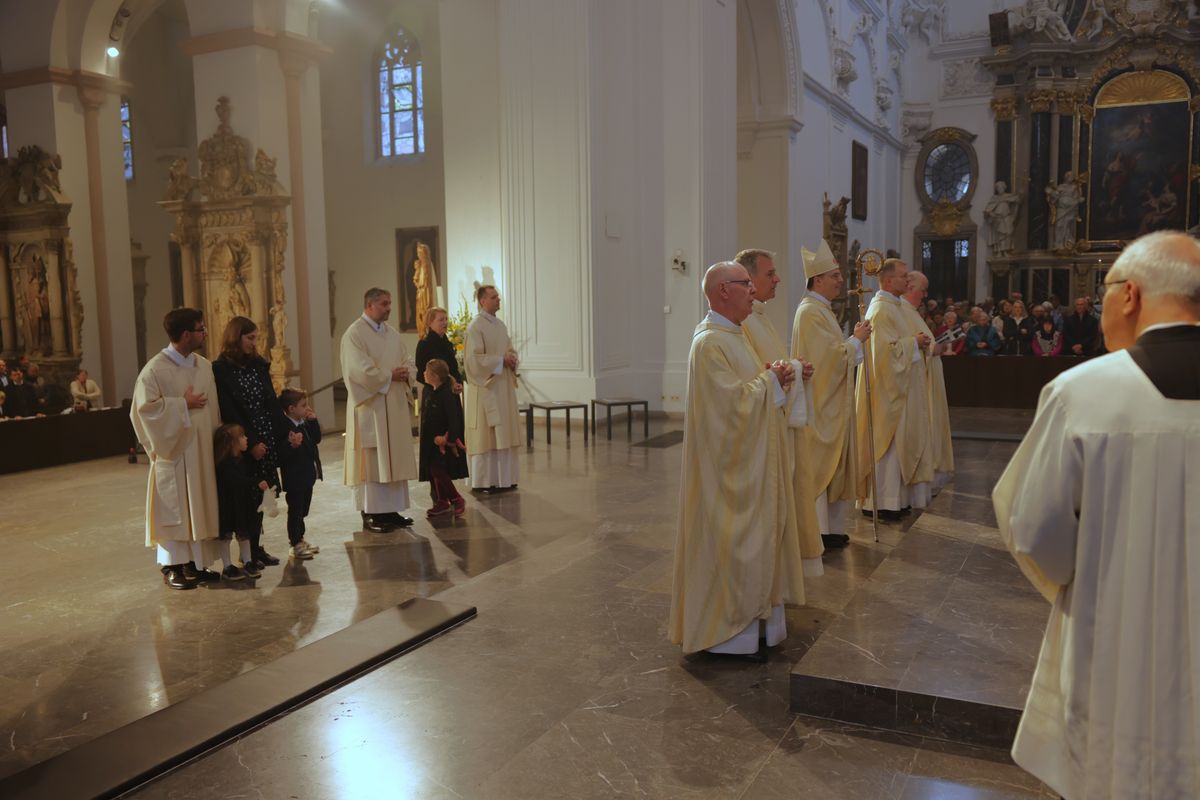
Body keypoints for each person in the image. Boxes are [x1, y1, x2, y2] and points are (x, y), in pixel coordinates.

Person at [992, 231, 1200, 800]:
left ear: (1129, 294)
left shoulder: (1083, 393)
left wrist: (1083, 582)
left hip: (1115, 647)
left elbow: (1035, 530)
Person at [669, 261, 803, 660]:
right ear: (723, 290)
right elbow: (728, 409)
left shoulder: (734, 334)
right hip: (727, 471)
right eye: (746, 283)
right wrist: (769, 382)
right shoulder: (709, 342)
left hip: (751, 461)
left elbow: (745, 389)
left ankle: (757, 623)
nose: (753, 290)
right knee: (734, 540)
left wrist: (771, 376)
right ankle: (728, 632)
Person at [735, 247, 824, 570]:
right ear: (749, 279)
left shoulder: (759, 316)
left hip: (776, 421)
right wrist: (788, 371)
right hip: (760, 432)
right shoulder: (742, 323)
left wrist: (795, 368)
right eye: (770, 273)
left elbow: (770, 365)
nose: (778, 279)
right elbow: (751, 377)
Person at [130, 308, 222, 590]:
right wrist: (181, 405)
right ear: (185, 335)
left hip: (202, 451)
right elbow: (142, 412)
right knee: (176, 507)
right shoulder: (154, 371)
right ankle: (172, 566)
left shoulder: (205, 366)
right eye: (200, 329)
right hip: (175, 453)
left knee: (200, 504)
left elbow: (214, 409)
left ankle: (196, 563)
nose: (204, 333)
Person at [792, 239, 871, 551]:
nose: (841, 281)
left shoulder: (821, 310)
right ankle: (818, 530)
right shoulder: (810, 312)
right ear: (818, 280)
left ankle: (830, 527)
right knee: (821, 460)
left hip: (830, 400)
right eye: (835, 275)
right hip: (819, 402)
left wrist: (853, 345)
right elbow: (825, 358)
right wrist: (855, 340)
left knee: (834, 461)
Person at [855, 259, 934, 521]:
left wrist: (915, 343)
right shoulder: (880, 310)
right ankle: (883, 501)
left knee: (898, 447)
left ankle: (895, 499)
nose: (907, 282)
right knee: (887, 446)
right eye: (903, 277)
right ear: (888, 281)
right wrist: (914, 342)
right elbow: (883, 354)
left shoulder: (895, 306)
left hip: (900, 390)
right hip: (886, 393)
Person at [341, 288, 418, 532]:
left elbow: (408, 360)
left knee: (392, 458)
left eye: (389, 303)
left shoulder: (393, 334)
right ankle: (371, 513)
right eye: (384, 304)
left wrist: (407, 373)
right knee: (373, 459)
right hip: (371, 407)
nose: (389, 308)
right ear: (370, 305)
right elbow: (358, 370)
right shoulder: (354, 334)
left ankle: (391, 510)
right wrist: (389, 376)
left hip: (393, 406)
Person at [212, 316, 281, 567]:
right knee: (247, 496)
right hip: (242, 440)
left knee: (263, 494)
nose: (255, 343)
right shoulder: (221, 369)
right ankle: (247, 551)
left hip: (266, 434)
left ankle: (255, 548)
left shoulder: (258, 364)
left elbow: (270, 402)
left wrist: (283, 432)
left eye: (256, 338)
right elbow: (230, 409)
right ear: (235, 337)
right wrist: (249, 442)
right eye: (250, 338)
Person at [463, 285, 522, 493]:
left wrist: (512, 358)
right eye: (494, 297)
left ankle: (505, 479)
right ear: (482, 301)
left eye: (498, 296)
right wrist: (500, 360)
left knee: (503, 433)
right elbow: (473, 361)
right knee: (487, 435)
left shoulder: (500, 325)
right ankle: (485, 481)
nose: (498, 299)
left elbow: (509, 349)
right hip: (487, 389)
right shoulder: (475, 327)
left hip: (502, 387)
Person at [901, 272, 955, 492]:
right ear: (909, 286)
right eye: (922, 290)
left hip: (930, 375)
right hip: (921, 380)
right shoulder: (902, 311)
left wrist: (934, 347)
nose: (924, 295)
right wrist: (933, 348)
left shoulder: (911, 311)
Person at [212, 423, 268, 581]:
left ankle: (248, 561)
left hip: (242, 504)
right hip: (229, 505)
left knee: (245, 534)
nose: (246, 439)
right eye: (242, 437)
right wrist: (255, 482)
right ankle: (227, 565)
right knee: (226, 536)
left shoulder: (241, 460)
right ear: (231, 443)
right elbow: (236, 480)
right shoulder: (225, 465)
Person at [276, 388, 322, 561]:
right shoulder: (285, 428)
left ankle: (301, 539)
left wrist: (313, 421)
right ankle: (294, 543)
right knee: (295, 511)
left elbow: (316, 439)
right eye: (304, 405)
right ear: (291, 409)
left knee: (303, 510)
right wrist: (292, 446)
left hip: (307, 475)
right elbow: (281, 454)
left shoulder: (303, 423)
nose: (307, 408)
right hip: (294, 477)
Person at [420, 358, 468, 518]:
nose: (423, 374)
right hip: (431, 442)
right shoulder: (432, 392)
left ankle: (456, 498)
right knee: (434, 471)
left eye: (426, 371)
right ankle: (442, 501)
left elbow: (453, 419)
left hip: (441, 441)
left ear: (434, 376)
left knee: (438, 470)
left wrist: (451, 439)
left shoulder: (446, 395)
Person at [415, 307, 464, 389]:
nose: (445, 322)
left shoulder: (448, 344)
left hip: (451, 393)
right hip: (434, 393)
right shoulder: (424, 344)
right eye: (441, 320)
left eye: (446, 319)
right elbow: (421, 374)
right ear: (430, 323)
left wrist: (458, 383)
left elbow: (454, 369)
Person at [413, 242, 438, 339]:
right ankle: (423, 334)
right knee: (420, 317)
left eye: (420, 253)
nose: (419, 255)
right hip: (421, 294)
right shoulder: (420, 265)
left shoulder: (427, 264)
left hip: (425, 294)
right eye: (418, 253)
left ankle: (425, 334)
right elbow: (417, 280)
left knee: (425, 314)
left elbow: (426, 283)